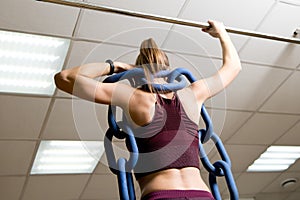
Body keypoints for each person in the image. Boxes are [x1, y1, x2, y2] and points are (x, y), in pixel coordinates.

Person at [54, 20, 241, 200]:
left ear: (138, 70)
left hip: (161, 195)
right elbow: (233, 67)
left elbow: (65, 78)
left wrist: (116, 67)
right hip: (202, 194)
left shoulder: (134, 98)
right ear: (167, 69)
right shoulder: (194, 94)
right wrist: (221, 33)